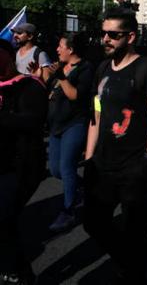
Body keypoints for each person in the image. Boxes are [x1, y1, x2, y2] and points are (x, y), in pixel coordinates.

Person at [83, 8, 147, 284]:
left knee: (135, 227)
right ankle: (126, 261)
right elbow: (96, 115)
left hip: (134, 164)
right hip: (103, 164)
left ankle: (134, 273)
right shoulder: (102, 69)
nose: (105, 39)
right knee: (93, 222)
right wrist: (88, 158)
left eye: (113, 35)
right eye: (103, 33)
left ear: (130, 36)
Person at [0, 39, 47, 284]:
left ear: (8, 57)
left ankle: (20, 272)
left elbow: (33, 121)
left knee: (4, 218)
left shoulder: (28, 86)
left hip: (21, 165)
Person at [46, 33, 94, 232]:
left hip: (74, 124)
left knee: (66, 167)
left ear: (71, 49)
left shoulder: (85, 68)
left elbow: (75, 95)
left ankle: (69, 212)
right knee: (55, 170)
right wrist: (43, 76)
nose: (57, 50)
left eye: (60, 46)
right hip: (55, 124)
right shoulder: (59, 67)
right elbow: (50, 89)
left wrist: (62, 78)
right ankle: (82, 187)